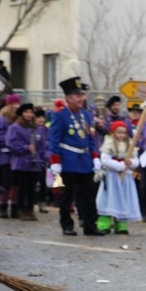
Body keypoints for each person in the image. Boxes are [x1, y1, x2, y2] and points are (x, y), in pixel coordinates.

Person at [49, 76, 101, 236]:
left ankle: (90, 225)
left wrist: (95, 157)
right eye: (78, 96)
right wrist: (56, 161)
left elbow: (89, 138)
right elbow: (54, 140)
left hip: (85, 162)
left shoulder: (85, 115)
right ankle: (67, 225)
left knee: (89, 195)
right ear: (69, 97)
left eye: (82, 95)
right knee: (67, 196)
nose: (81, 98)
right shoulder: (60, 115)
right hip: (68, 161)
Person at [95, 121, 141, 234]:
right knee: (108, 199)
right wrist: (120, 166)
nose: (122, 135)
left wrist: (130, 163)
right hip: (112, 177)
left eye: (124, 133)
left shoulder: (130, 144)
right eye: (119, 133)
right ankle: (103, 224)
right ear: (113, 133)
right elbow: (105, 159)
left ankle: (121, 224)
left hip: (126, 177)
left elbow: (136, 160)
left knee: (123, 200)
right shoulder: (109, 143)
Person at [6, 102, 43, 221]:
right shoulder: (15, 127)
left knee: (33, 188)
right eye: (26, 112)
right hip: (22, 162)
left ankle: (30, 209)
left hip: (34, 162)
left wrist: (41, 156)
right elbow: (11, 143)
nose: (29, 114)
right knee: (23, 188)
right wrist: (25, 147)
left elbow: (41, 144)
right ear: (21, 114)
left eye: (31, 112)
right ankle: (23, 210)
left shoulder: (34, 127)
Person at [0, 94, 20, 219]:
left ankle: (14, 206)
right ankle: (3, 205)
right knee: (7, 181)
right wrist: (10, 139)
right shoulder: (2, 119)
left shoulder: (20, 118)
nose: (17, 106)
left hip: (16, 154)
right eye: (14, 104)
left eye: (18, 104)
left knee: (16, 182)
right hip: (5, 154)